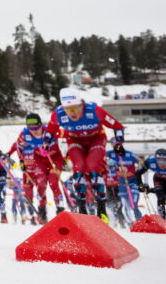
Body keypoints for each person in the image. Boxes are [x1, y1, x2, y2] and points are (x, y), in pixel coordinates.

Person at [44, 87, 125, 223]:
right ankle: (81, 208)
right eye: (68, 110)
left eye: (75, 108)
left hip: (96, 139)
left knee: (92, 168)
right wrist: (46, 143)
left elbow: (117, 126)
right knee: (79, 169)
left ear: (82, 104)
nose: (72, 113)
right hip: (75, 140)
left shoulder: (95, 111)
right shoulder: (58, 114)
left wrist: (118, 143)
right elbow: (50, 131)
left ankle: (101, 209)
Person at [6, 112, 66, 223]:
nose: (34, 130)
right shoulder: (24, 134)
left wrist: (68, 155)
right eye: (31, 128)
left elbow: (70, 135)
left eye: (36, 127)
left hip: (54, 159)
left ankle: (60, 208)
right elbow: (18, 148)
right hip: (39, 160)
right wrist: (22, 165)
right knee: (41, 183)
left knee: (53, 183)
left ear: (41, 125)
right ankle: (42, 210)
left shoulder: (50, 131)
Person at [106, 143, 144, 223]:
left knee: (133, 203)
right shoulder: (112, 155)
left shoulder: (130, 154)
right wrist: (114, 169)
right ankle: (130, 222)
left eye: (119, 147)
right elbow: (104, 157)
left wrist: (137, 171)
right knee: (125, 205)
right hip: (122, 185)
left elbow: (141, 162)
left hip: (132, 182)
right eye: (115, 147)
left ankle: (139, 220)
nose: (118, 150)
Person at [135, 148, 166, 218]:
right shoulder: (150, 161)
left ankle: (151, 190)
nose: (162, 164)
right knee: (161, 198)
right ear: (155, 160)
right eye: (159, 161)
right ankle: (163, 218)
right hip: (158, 179)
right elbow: (138, 173)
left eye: (164, 161)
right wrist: (140, 185)